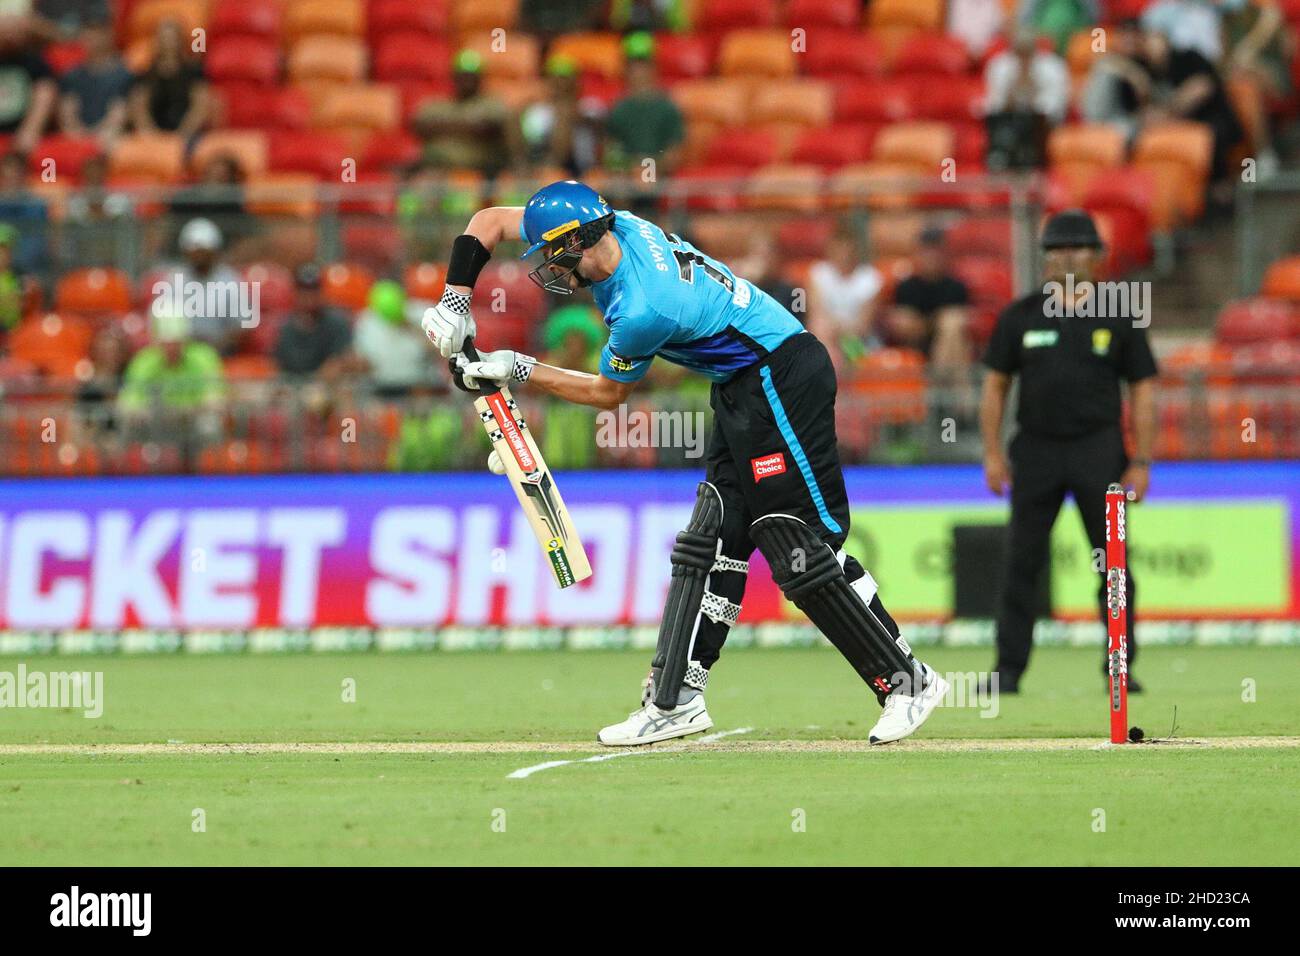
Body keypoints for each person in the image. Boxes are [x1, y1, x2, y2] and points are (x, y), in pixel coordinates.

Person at [423, 180, 950, 746]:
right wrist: (455, 302)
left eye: (553, 254)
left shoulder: (644, 307)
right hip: (740, 384)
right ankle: (675, 700)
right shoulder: (616, 223)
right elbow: (489, 221)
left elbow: (607, 393)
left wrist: (518, 368)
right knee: (712, 536)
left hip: (781, 374)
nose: (548, 267)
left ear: (578, 241)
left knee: (796, 542)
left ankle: (908, 682)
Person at [979, 210, 1157, 694]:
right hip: (1035, 451)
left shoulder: (1120, 314)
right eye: (1057, 249)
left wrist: (1141, 460)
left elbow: (1143, 388)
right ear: (1045, 258)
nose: (1066, 257)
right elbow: (995, 386)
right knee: (1021, 562)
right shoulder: (1020, 315)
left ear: (1097, 256)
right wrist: (992, 453)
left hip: (1099, 450)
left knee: (1113, 563)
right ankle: (1007, 670)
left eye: (1077, 248)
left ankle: (1119, 667)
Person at [1139, 28, 1244, 180]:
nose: (1149, 46)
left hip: (1212, 118)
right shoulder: (1146, 69)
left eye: (1153, 39)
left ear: (1165, 41)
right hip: (1177, 125)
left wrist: (1167, 112)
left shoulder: (1188, 58)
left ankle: (1220, 185)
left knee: (1209, 137)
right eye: (1145, 41)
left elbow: (1201, 88)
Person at [888, 226, 971, 383]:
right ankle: (934, 386)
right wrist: (934, 322)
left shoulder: (956, 286)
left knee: (952, 326)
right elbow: (902, 326)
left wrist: (926, 323)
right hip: (915, 346)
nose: (932, 257)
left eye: (936, 251)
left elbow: (956, 322)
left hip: (948, 348)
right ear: (918, 253)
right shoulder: (906, 286)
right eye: (927, 251)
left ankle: (938, 384)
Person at [411, 50, 511, 176]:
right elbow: (419, 126)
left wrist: (443, 127)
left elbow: (490, 130)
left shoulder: (492, 104)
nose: (466, 81)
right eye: (462, 76)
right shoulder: (437, 105)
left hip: (479, 172)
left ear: (480, 79)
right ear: (454, 77)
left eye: (471, 76)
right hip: (437, 170)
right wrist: (467, 126)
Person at [603, 33, 684, 175]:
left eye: (643, 64)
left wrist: (646, 170)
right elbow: (611, 151)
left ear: (654, 66)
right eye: (633, 65)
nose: (638, 71)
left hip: (659, 179)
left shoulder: (667, 108)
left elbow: (674, 154)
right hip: (626, 179)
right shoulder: (619, 109)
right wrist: (628, 169)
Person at [161, 217, 243, 355]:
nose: (199, 256)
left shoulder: (230, 280)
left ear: (215, 251)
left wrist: (215, 347)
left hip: (221, 351)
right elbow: (165, 322)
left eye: (204, 250)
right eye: (194, 250)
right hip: (181, 353)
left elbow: (241, 326)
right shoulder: (174, 280)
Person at [807, 226, 883, 368]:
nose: (844, 254)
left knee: (840, 347)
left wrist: (836, 329)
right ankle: (831, 367)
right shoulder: (819, 274)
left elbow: (864, 326)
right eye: (839, 248)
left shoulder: (870, 277)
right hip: (827, 340)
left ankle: (838, 367)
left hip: (859, 342)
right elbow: (816, 315)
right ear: (830, 249)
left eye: (848, 248)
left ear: (856, 250)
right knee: (819, 331)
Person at [128, 18, 210, 141]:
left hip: (187, 136)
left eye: (172, 38)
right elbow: (139, 108)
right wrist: (151, 135)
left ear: (181, 40)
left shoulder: (194, 72)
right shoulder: (146, 74)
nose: (168, 42)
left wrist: (182, 136)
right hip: (153, 136)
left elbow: (200, 107)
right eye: (164, 38)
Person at [273, 263, 354, 379]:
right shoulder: (285, 327)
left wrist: (340, 365)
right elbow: (278, 366)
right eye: (304, 291)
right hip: (293, 385)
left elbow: (343, 359)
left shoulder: (337, 323)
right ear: (296, 293)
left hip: (328, 385)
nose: (309, 297)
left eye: (314, 291)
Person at [57, 21, 131, 144]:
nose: (90, 38)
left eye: (96, 33)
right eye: (87, 33)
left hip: (108, 134)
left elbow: (118, 114)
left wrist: (97, 135)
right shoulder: (72, 75)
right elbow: (68, 112)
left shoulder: (124, 75)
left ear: (108, 36)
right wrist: (76, 133)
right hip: (76, 135)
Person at [353, 279, 431, 394]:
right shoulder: (366, 322)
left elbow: (443, 351)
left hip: (419, 385)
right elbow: (363, 361)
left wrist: (409, 326)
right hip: (380, 387)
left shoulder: (424, 313)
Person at [0, 21, 56, 153]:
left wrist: (30, 130)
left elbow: (46, 92)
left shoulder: (34, 62)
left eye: (15, 31)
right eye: (5, 31)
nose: (10, 36)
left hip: (20, 133)